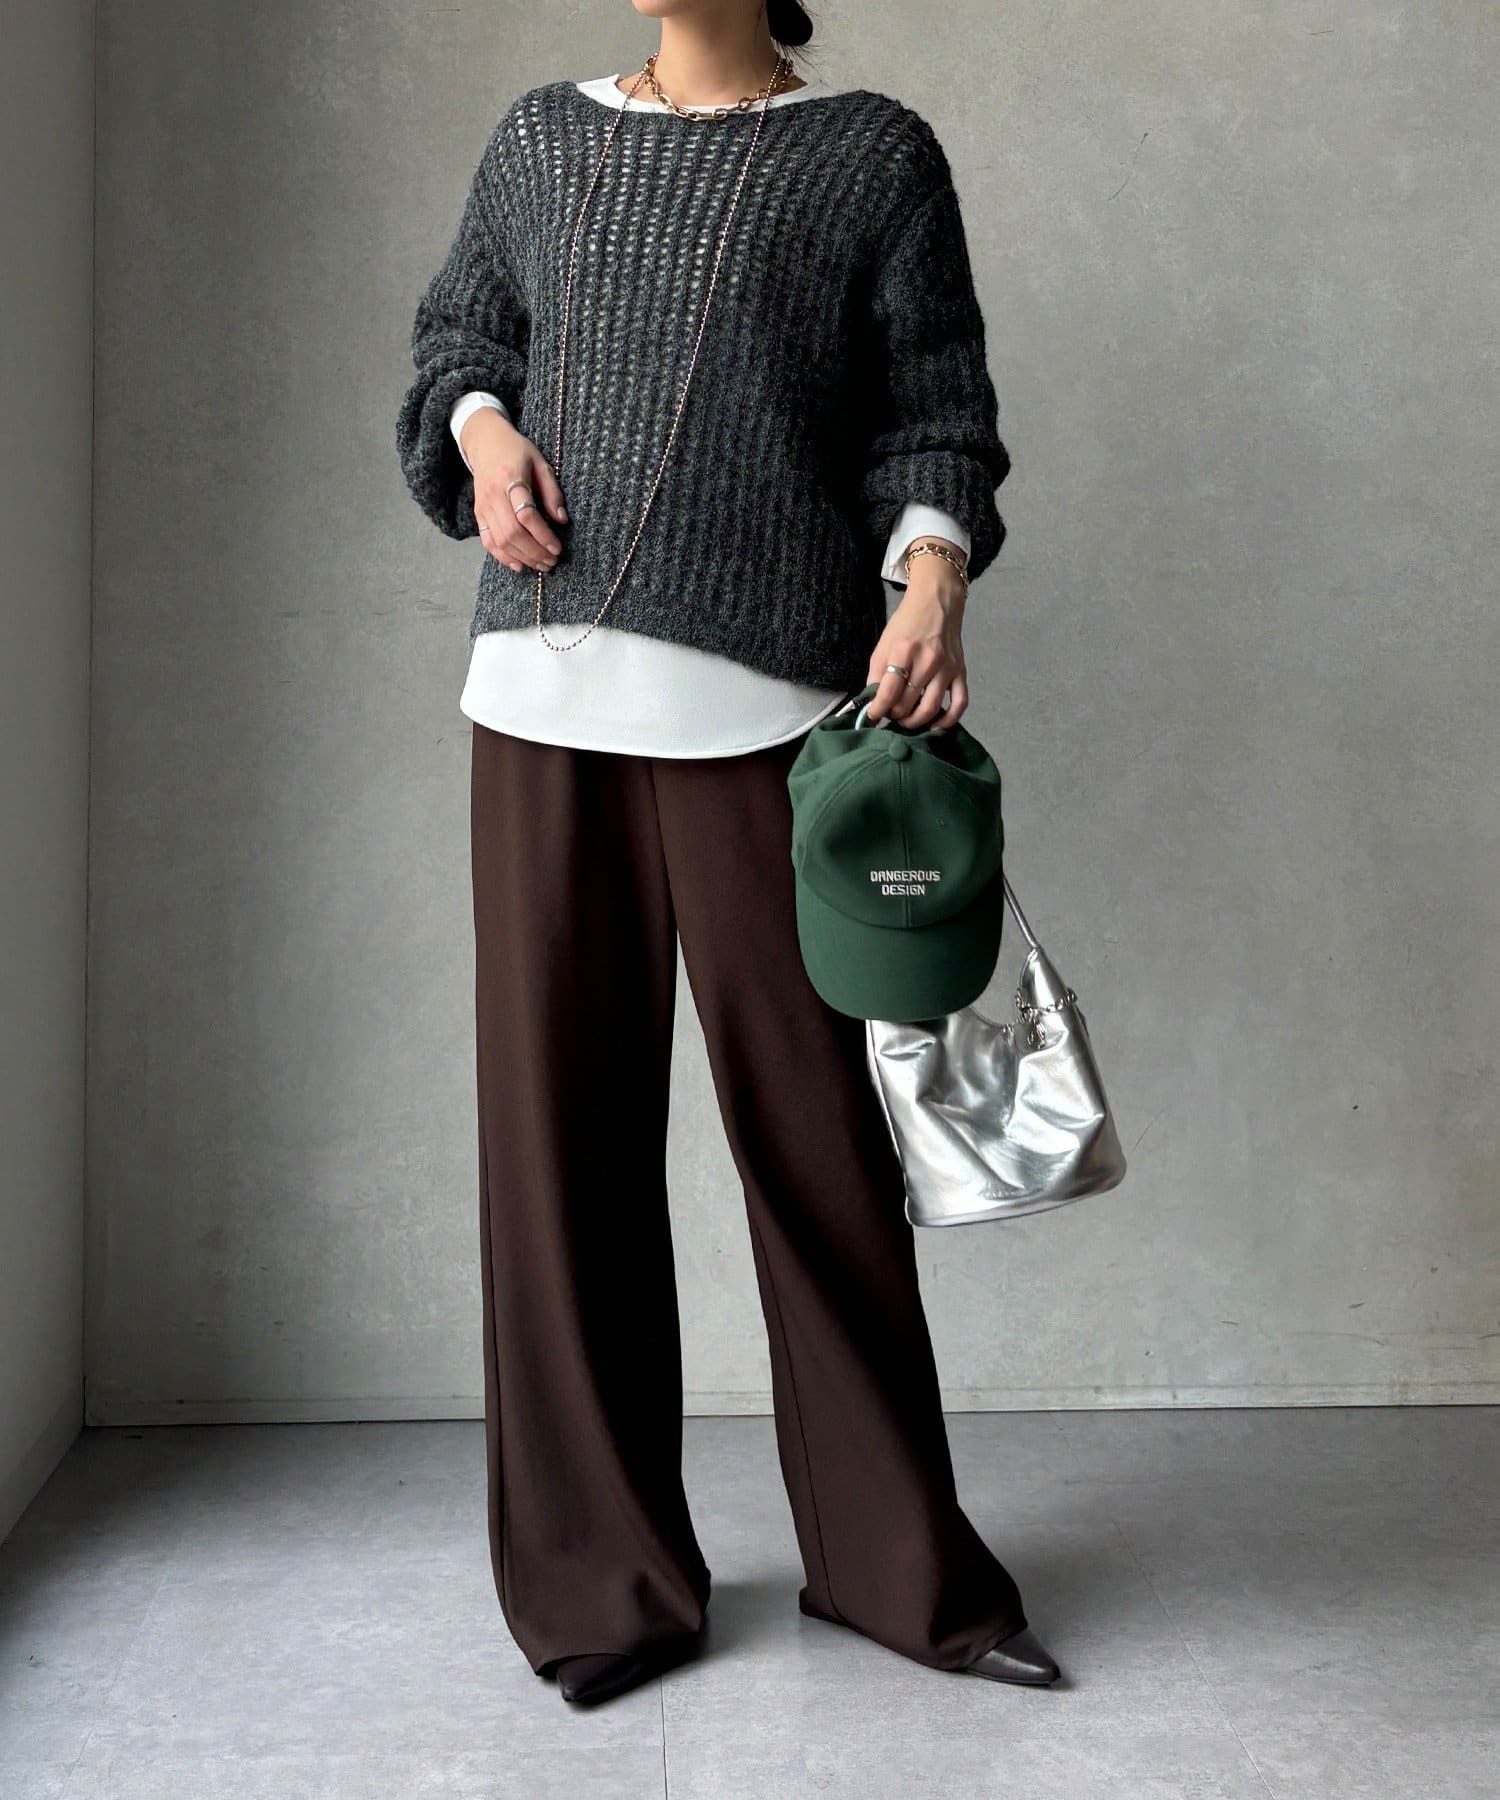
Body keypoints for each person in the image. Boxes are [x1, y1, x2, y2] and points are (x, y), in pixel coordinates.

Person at [396, 0, 1059, 1708]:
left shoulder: (871, 156)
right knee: (559, 1157)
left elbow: (936, 413)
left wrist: (932, 579)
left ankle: (898, 1573)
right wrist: (483, 435)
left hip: (775, 711)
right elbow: (458, 339)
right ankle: (601, 1591)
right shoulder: (542, 140)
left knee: (822, 1153)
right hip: (540, 699)